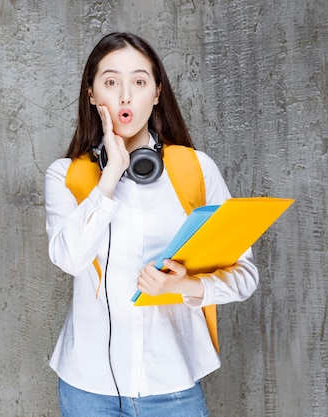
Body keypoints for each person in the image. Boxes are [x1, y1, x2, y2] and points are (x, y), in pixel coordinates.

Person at [44, 32, 259, 417]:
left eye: (139, 82)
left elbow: (245, 275)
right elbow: (70, 260)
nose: (125, 96)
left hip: (171, 386)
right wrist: (110, 177)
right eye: (111, 82)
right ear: (92, 94)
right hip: (87, 389)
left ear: (157, 93)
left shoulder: (196, 169)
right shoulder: (65, 176)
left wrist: (187, 286)